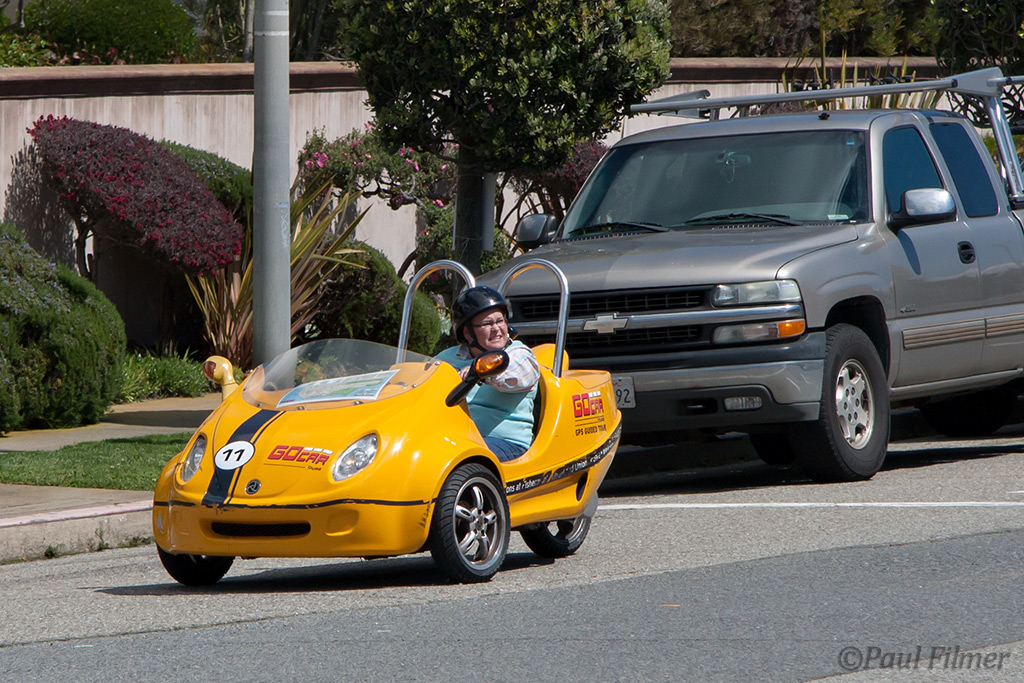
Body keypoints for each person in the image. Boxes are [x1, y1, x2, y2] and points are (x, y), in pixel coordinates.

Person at [435, 286, 540, 462]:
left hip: (506, 442)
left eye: (500, 321)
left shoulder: (519, 354)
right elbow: (422, 377)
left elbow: (513, 376)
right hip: (456, 438)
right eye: (487, 324)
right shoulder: (446, 358)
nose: (496, 329)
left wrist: (480, 371)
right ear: (467, 333)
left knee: (458, 458)